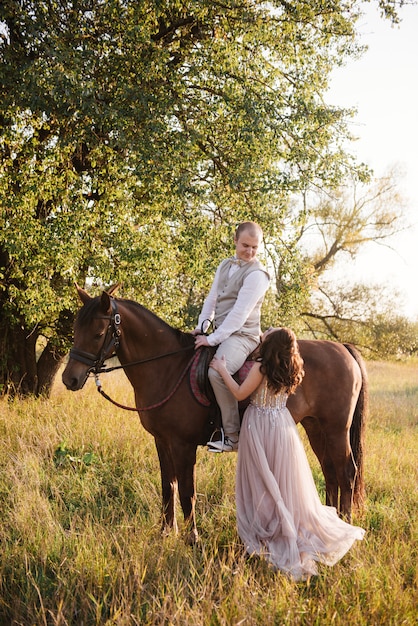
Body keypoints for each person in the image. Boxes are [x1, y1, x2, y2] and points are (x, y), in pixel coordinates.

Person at [209, 327, 365, 581]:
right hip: (282, 428)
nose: (264, 332)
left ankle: (266, 531)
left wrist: (221, 369)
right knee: (283, 481)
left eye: (267, 333)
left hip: (259, 426)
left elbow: (238, 393)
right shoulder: (293, 370)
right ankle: (286, 524)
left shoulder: (261, 369)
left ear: (271, 344)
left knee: (260, 481)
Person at [192, 222, 270, 453]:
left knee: (216, 373)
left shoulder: (258, 275)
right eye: (245, 245)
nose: (250, 252)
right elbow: (212, 299)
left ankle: (232, 436)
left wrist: (212, 339)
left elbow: (239, 315)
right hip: (220, 331)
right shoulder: (225, 265)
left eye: (255, 247)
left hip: (243, 335)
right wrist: (201, 327)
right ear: (235, 239)